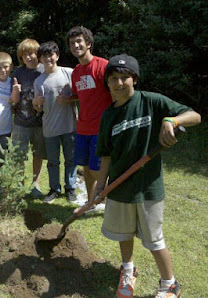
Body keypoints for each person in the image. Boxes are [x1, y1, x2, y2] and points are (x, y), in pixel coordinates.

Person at [94, 54, 201, 297]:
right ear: (107, 83)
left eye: (125, 77)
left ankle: (169, 283)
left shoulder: (151, 102)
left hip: (148, 188)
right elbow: (106, 155)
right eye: (113, 78)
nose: (119, 83)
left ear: (135, 79)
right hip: (120, 187)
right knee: (123, 234)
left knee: (154, 240)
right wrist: (101, 184)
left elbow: (195, 116)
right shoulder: (108, 116)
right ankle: (128, 270)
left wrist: (171, 119)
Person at [67, 26, 113, 210]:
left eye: (79, 41)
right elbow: (80, 94)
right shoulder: (76, 71)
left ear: (89, 43)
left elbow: (116, 93)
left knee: (97, 169)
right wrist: (66, 98)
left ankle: (111, 200)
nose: (76, 45)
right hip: (83, 128)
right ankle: (91, 202)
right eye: (72, 43)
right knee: (86, 166)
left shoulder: (103, 66)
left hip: (101, 129)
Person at [32, 41, 77, 204]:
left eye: (50, 55)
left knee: (71, 159)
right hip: (49, 127)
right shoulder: (39, 81)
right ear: (40, 60)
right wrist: (35, 102)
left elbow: (80, 96)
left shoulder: (69, 73)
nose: (48, 59)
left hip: (69, 126)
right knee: (53, 161)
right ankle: (54, 189)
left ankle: (70, 188)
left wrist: (70, 98)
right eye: (44, 56)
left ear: (57, 56)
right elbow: (37, 108)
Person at [10, 39, 46, 199]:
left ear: (37, 54)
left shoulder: (45, 71)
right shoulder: (18, 73)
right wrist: (16, 92)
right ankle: (19, 186)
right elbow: (13, 100)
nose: (29, 57)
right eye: (24, 55)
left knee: (38, 154)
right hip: (20, 123)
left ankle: (35, 184)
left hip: (41, 123)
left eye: (31, 53)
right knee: (19, 155)